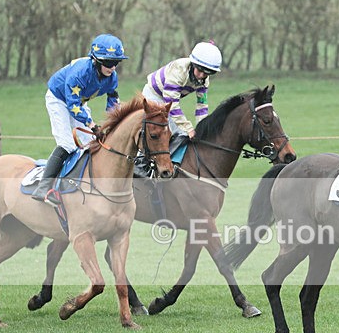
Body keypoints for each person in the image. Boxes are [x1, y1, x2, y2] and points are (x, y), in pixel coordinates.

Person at [31, 34, 128, 205]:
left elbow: (113, 101)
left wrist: (112, 124)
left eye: (116, 63)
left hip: (79, 102)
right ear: (96, 60)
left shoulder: (112, 77)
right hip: (59, 99)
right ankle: (43, 188)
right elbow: (73, 106)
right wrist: (92, 124)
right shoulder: (80, 74)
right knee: (67, 145)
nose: (112, 67)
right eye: (108, 63)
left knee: (91, 144)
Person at [137, 41, 222, 174]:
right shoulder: (179, 70)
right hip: (154, 96)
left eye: (207, 73)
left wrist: (202, 129)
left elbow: (202, 106)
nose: (201, 76)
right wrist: (189, 128)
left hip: (169, 101)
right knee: (174, 132)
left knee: (181, 133)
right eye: (200, 70)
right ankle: (140, 164)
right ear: (193, 64)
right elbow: (173, 104)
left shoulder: (204, 81)